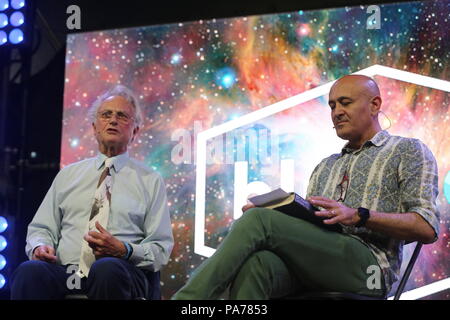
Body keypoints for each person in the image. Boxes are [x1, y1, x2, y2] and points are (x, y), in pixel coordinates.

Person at [172, 75, 440, 300]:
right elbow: (313, 228)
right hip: (319, 263)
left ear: (374, 105)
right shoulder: (325, 166)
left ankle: (187, 302)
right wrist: (278, 212)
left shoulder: (407, 150)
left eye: (345, 103)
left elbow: (427, 228)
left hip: (369, 268)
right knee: (258, 264)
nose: (337, 112)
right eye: (332, 106)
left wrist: (360, 215)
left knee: (258, 221)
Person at [11, 85, 174, 300]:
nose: (113, 120)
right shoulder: (68, 175)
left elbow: (160, 250)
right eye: (106, 114)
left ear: (135, 131)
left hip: (121, 271)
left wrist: (124, 250)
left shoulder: (150, 180)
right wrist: (41, 246)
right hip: (68, 272)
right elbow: (41, 228)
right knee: (29, 272)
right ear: (95, 127)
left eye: (122, 116)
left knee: (106, 269)